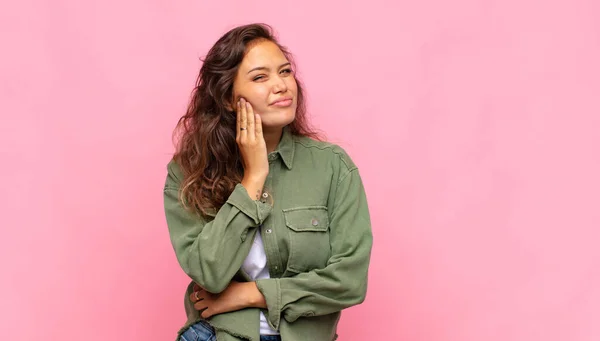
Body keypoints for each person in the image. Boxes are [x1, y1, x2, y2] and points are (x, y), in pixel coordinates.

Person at [163, 23, 373, 341]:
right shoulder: (187, 173)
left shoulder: (333, 166)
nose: (281, 86)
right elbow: (210, 273)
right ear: (229, 99)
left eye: (285, 72)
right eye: (260, 77)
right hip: (219, 334)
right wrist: (254, 177)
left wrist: (252, 294)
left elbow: (350, 280)